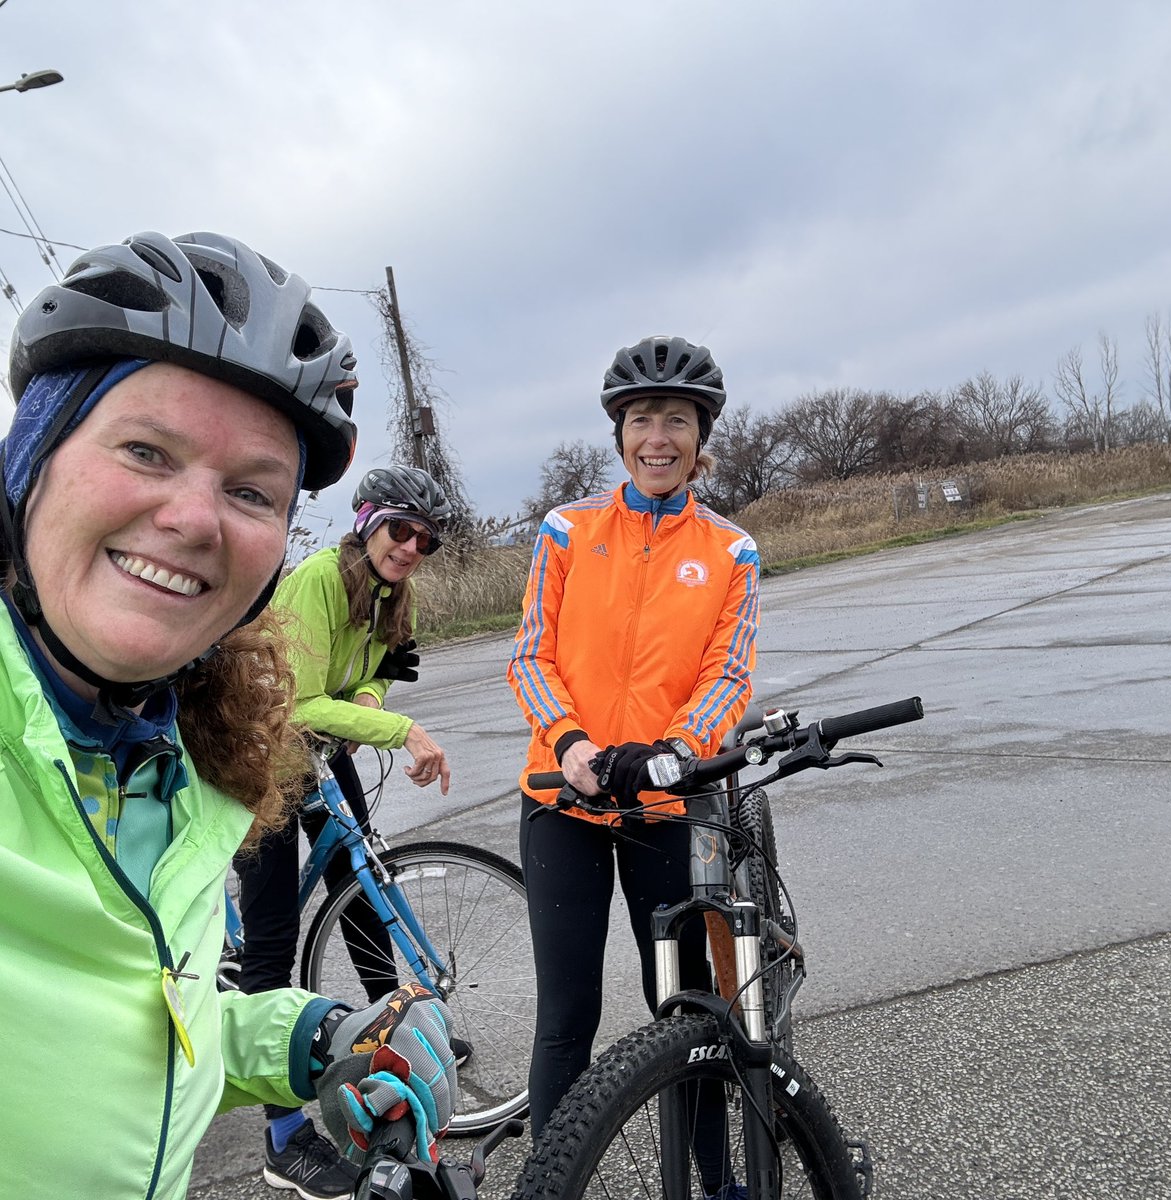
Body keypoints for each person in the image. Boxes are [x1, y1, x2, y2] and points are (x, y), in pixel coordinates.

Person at [0, 231, 456, 1200]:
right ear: (29, 464)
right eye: (145, 449)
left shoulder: (179, 759)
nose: (198, 519)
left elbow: (148, 1019)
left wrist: (317, 1036)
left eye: (251, 490)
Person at [507, 335, 761, 1156]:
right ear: (619, 433)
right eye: (642, 418)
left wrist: (676, 751)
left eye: (677, 420)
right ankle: (552, 1179)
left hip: (664, 802)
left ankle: (716, 1181)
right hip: (563, 800)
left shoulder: (730, 550)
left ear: (700, 437)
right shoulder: (566, 531)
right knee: (567, 1017)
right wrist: (572, 743)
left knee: (688, 1014)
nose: (658, 436)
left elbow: (729, 674)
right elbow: (530, 654)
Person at [235, 463, 465, 1189]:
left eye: (426, 540)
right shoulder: (319, 581)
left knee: (361, 891)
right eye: (402, 530)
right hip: (265, 751)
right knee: (273, 939)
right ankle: (282, 1137)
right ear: (368, 522)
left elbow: (370, 676)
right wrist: (398, 730)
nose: (411, 548)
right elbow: (298, 700)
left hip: (321, 752)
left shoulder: (395, 597)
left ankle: (394, 1039)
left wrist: (369, 705)